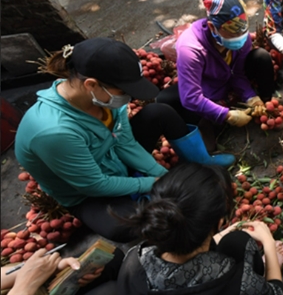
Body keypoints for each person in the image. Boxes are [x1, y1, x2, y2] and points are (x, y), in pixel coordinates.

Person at [14, 38, 234, 243]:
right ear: (91, 85)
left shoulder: (106, 100)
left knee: (158, 112)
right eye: (123, 91)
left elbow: (124, 143)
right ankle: (150, 201)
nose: (128, 99)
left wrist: (161, 175)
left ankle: (202, 163)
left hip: (115, 159)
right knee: (123, 227)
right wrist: (150, 184)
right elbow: (95, 184)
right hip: (88, 192)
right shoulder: (54, 132)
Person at [116, 163, 283, 295]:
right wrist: (269, 244)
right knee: (239, 243)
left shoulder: (134, 259)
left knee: (233, 241)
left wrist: (220, 233)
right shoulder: (234, 284)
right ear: (220, 221)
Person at [158, 0, 274, 153]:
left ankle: (263, 105)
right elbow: (191, 97)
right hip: (207, 90)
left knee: (261, 57)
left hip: (227, 81)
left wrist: (251, 97)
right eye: (234, 32)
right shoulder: (190, 48)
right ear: (213, 27)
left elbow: (238, 73)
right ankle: (210, 121)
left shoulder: (241, 40)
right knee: (168, 101)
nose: (241, 36)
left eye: (243, 30)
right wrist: (226, 115)